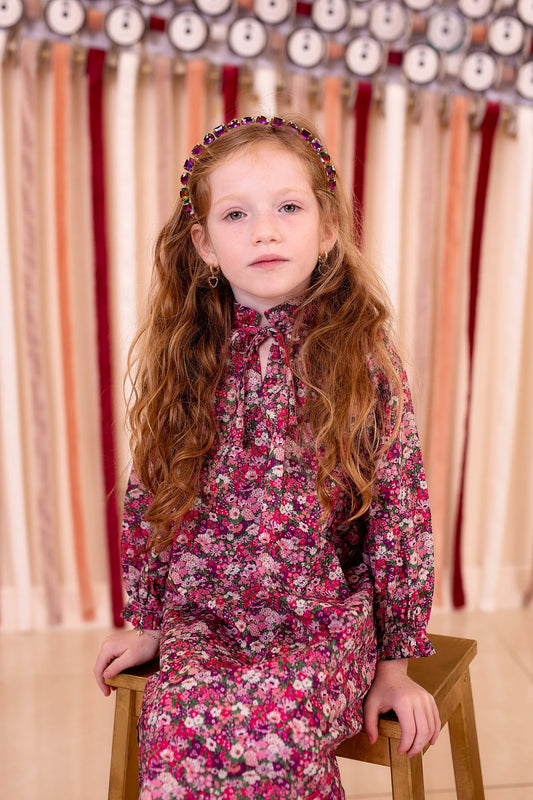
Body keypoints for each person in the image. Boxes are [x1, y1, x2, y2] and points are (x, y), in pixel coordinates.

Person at [94, 114, 440, 800]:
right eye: (236, 214)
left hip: (323, 620)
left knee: (272, 734)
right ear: (204, 244)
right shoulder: (186, 359)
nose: (265, 232)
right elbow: (152, 495)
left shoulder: (362, 361)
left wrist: (396, 662)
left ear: (328, 227)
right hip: (206, 620)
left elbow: (400, 513)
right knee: (179, 730)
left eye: (288, 208)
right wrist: (150, 621)